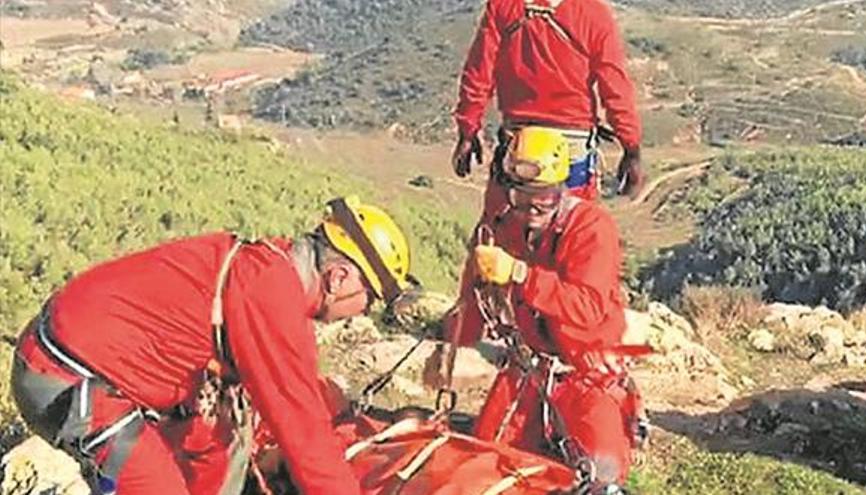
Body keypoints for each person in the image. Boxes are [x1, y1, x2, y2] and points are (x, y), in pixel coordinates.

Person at [11, 196, 411, 495]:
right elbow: (305, 436)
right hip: (67, 376)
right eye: (369, 300)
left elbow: (295, 403)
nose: (362, 314)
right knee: (158, 485)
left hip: (90, 365)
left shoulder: (272, 273)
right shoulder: (270, 296)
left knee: (218, 454)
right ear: (338, 278)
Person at [428, 127, 644, 494]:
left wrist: (520, 273)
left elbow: (587, 307)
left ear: (562, 188)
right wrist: (449, 346)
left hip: (588, 375)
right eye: (521, 195)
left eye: (542, 196)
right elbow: (474, 300)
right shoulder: (502, 227)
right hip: (530, 368)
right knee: (483, 464)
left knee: (601, 479)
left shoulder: (591, 228)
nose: (532, 207)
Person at [451, 0, 646, 216]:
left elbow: (479, 73)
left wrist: (467, 132)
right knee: (575, 230)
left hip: (518, 143)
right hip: (572, 147)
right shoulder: (593, 13)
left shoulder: (503, 7)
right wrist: (631, 148)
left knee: (502, 227)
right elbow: (615, 87)